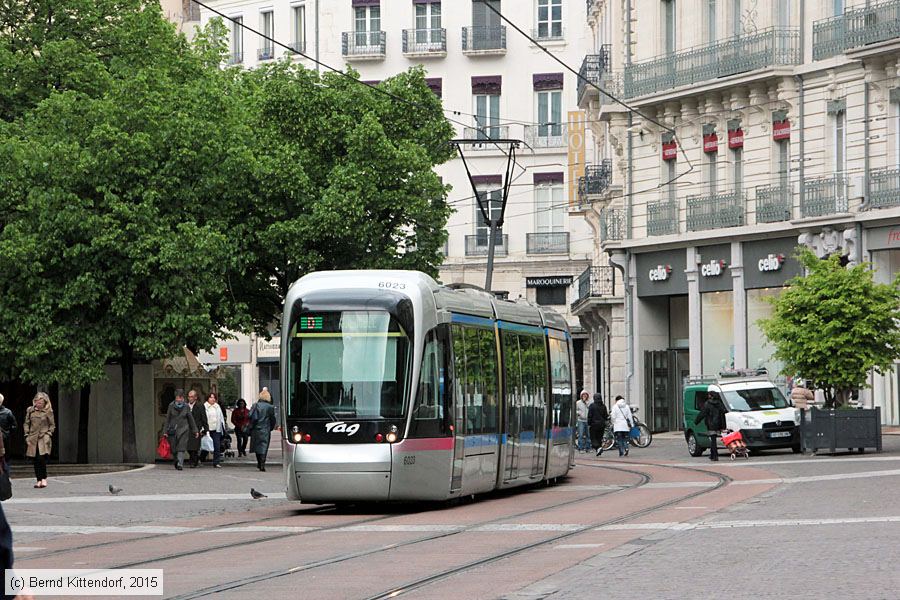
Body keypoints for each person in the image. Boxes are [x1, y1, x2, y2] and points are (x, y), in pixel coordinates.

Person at [24, 392, 55, 488]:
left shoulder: (48, 411)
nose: (38, 404)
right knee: (35, 459)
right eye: (37, 402)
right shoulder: (30, 410)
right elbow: (26, 423)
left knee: (41, 458)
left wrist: (48, 434)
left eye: (40, 403)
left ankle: (44, 478)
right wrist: (26, 435)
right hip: (33, 438)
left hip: (43, 437)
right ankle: (38, 480)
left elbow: (52, 425)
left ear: (44, 403)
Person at [163, 389, 198, 470]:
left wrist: (195, 430)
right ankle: (176, 460)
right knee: (174, 448)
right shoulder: (171, 406)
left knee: (181, 447)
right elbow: (167, 419)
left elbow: (191, 419)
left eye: (181, 397)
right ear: (175, 398)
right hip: (173, 430)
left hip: (184, 429)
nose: (179, 399)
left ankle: (180, 464)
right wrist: (165, 431)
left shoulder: (186, 406)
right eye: (178, 398)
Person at [249, 388, 277, 472]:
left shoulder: (255, 405)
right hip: (265, 429)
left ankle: (259, 462)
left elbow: (250, 415)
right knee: (264, 447)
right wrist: (271, 427)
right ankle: (262, 464)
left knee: (257, 447)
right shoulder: (270, 407)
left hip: (256, 429)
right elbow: (272, 419)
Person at [695, 391, 727, 461]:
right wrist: (723, 425)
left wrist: (696, 421)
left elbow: (702, 413)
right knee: (713, 440)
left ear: (711, 396)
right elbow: (723, 413)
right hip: (719, 424)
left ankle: (715, 455)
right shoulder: (719, 403)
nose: (708, 396)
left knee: (713, 440)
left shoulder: (707, 404)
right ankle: (712, 455)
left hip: (711, 424)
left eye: (709, 395)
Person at [204, 392, 226, 468]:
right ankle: (201, 458)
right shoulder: (204, 406)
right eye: (211, 397)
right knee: (206, 445)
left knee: (217, 446)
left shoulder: (217, 406)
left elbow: (221, 417)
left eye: (214, 397)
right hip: (207, 429)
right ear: (207, 398)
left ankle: (216, 462)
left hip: (216, 429)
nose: (212, 399)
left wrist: (223, 427)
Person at [187, 389, 208, 467]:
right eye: (189, 397)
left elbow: (204, 418)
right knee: (188, 446)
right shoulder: (186, 406)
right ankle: (194, 459)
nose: (190, 398)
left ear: (195, 397)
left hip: (196, 428)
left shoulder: (200, 406)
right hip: (187, 429)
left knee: (195, 447)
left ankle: (193, 462)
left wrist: (206, 429)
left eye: (192, 397)